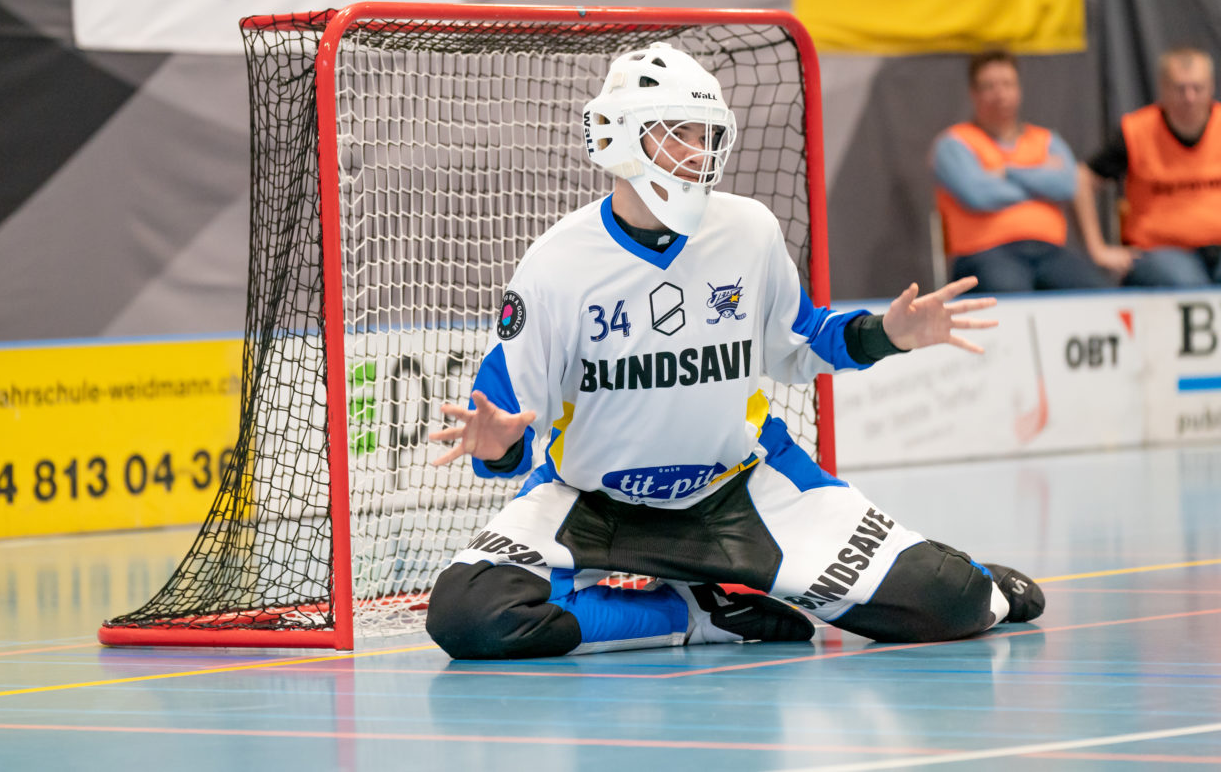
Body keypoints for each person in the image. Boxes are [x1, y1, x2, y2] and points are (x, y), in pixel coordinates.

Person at [425, 42, 1045, 660]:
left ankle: (960, 576)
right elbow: (505, 417)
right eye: (679, 133)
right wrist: (499, 447)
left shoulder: (749, 230)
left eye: (707, 135)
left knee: (952, 604)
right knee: (468, 614)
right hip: (595, 507)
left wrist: (888, 333)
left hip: (737, 492)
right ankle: (696, 613)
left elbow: (801, 343)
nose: (699, 152)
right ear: (617, 135)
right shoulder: (555, 263)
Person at [931, 49, 1109, 293]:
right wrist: (1041, 184)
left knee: (1096, 291)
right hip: (984, 253)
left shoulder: (1047, 140)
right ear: (973, 93)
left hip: (1051, 252)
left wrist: (1005, 173)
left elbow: (1067, 185)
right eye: (989, 86)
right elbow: (978, 195)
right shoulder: (954, 143)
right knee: (1008, 288)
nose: (1000, 94)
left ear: (1019, 89)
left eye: (1007, 84)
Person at [1074, 46, 1221, 286]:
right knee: (1188, 283)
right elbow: (1083, 177)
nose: (1190, 97)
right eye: (1180, 88)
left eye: (1197, 88)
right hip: (1160, 252)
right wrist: (1098, 250)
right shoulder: (1137, 131)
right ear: (1163, 88)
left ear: (1211, 87)